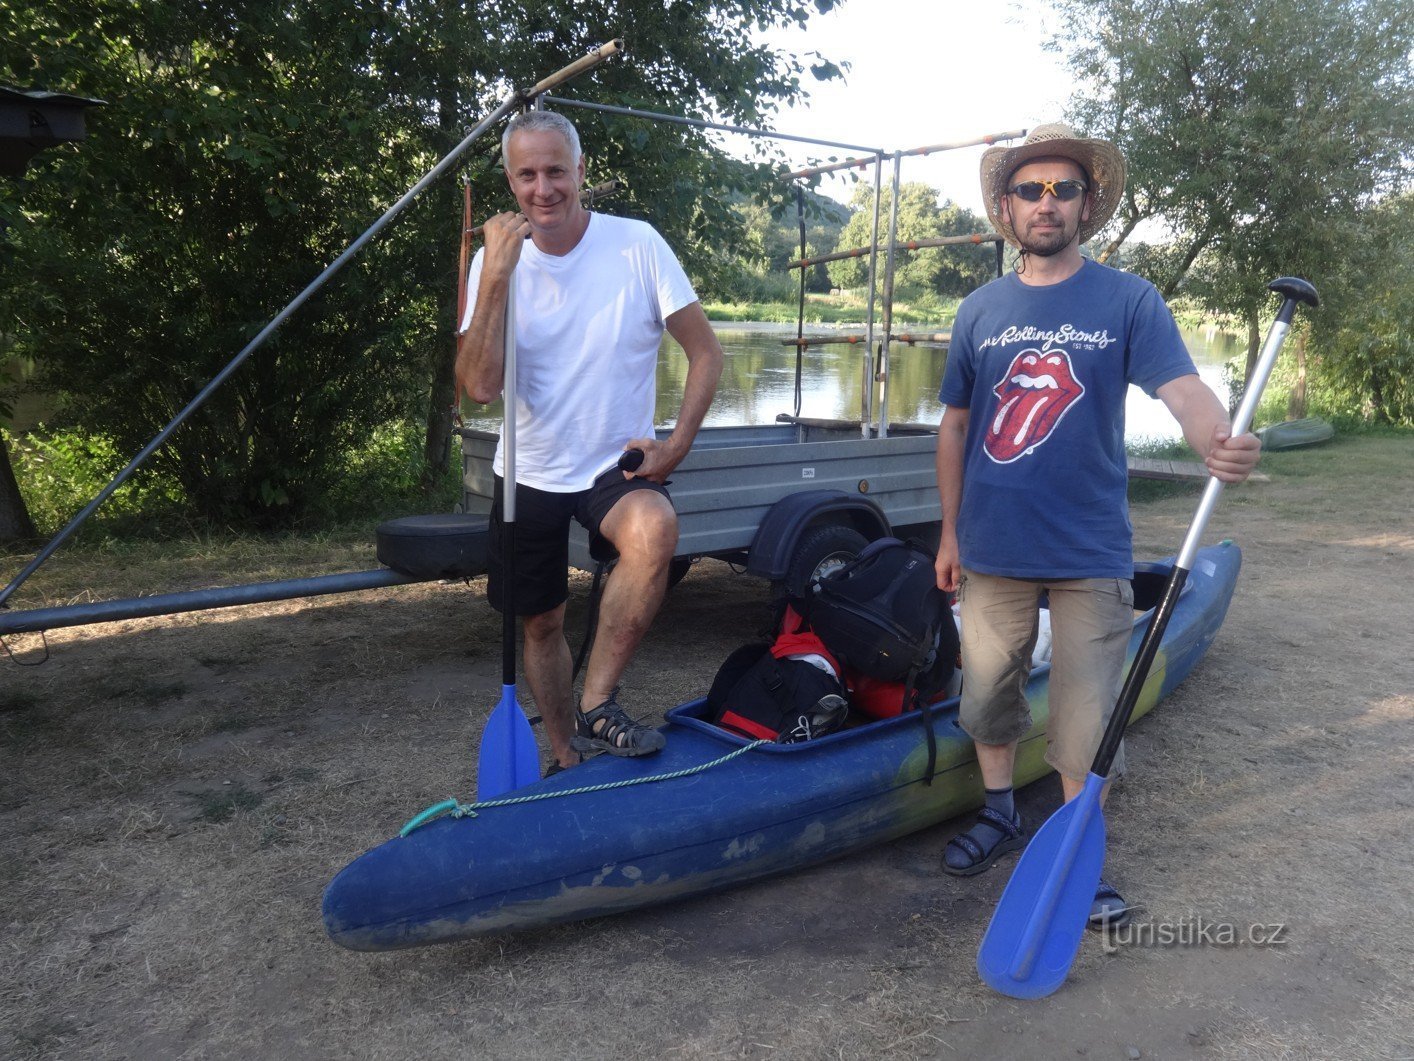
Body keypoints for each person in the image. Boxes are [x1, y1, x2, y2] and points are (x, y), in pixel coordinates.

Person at [933, 123, 1261, 926]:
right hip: (992, 546)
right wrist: (947, 533)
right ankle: (1000, 810)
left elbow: (1181, 388)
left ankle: (1079, 850)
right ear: (1007, 209)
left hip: (1089, 549)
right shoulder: (980, 309)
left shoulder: (1127, 298)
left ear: (1087, 205)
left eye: (1064, 189)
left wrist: (1216, 438)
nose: (1047, 203)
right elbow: (954, 426)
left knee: (1086, 716)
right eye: (1030, 190)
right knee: (987, 692)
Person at [456, 110, 723, 774]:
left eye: (555, 171)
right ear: (511, 183)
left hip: (613, 463)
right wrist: (493, 278)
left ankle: (600, 698)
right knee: (540, 623)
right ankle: (566, 750)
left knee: (653, 528)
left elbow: (706, 353)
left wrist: (675, 445)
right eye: (527, 175)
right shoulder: (496, 263)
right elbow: (479, 388)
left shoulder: (637, 244)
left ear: (580, 173)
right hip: (530, 471)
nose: (543, 189)